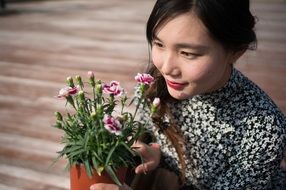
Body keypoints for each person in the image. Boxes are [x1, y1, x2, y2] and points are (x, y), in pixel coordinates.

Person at [91, 0, 286, 189]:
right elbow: (157, 139)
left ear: (236, 51)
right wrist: (157, 154)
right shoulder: (154, 87)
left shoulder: (263, 128)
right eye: (159, 44)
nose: (166, 68)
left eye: (187, 53)